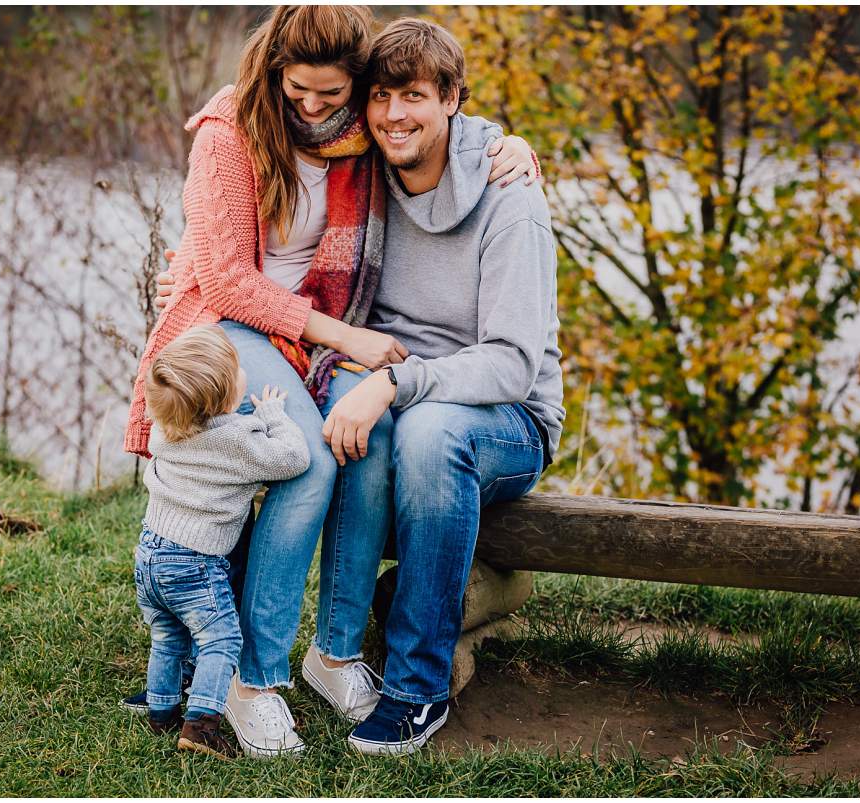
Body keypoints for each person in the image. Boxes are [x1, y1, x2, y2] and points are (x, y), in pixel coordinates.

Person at [123, 6, 540, 758]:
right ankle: (253, 678)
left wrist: (514, 146)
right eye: (298, 90)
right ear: (274, 68)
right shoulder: (236, 131)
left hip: (325, 337)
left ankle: (337, 651)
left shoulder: (365, 141)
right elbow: (223, 274)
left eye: (333, 93)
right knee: (304, 457)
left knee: (371, 428)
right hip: (246, 323)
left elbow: (450, 125)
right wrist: (346, 338)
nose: (313, 107)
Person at [315, 18, 565, 755]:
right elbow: (268, 113)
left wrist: (395, 381)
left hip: (508, 419)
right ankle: (312, 654)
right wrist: (194, 263)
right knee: (363, 422)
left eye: (415, 95)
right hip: (396, 394)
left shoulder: (508, 197)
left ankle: (418, 688)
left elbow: (512, 364)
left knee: (429, 429)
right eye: (382, 95)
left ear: (452, 98)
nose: (395, 114)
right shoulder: (365, 174)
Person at [132, 325, 309, 759]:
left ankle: (161, 711)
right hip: (194, 563)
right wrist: (271, 416)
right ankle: (202, 724)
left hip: (150, 554)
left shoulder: (163, 430)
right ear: (226, 400)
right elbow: (295, 458)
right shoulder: (237, 442)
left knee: (169, 636)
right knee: (222, 640)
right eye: (236, 368)